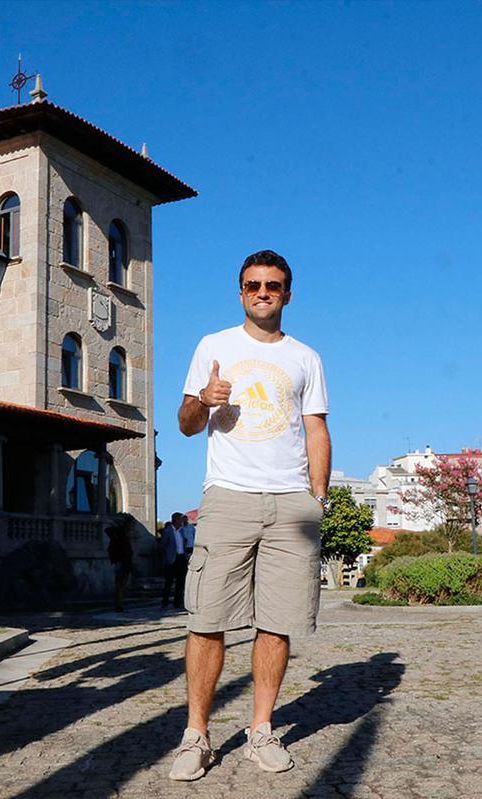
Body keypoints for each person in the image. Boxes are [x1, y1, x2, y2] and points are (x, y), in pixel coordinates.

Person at [168, 249, 330, 781]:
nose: (263, 292)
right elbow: (186, 424)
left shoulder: (306, 357)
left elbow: (315, 429)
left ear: (288, 293)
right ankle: (197, 734)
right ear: (240, 292)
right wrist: (206, 400)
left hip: (291, 504)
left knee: (277, 621)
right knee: (207, 619)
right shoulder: (214, 346)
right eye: (253, 285)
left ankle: (261, 729)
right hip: (229, 496)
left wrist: (318, 497)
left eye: (273, 285)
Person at [106, 518, 134, 612]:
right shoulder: (119, 538)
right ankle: (118, 604)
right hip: (121, 561)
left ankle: (119, 603)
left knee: (121, 584)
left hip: (124, 561)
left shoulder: (123, 538)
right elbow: (108, 530)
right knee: (119, 584)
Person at [160, 514, 187, 609]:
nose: (182, 521)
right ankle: (165, 601)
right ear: (175, 520)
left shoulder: (182, 531)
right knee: (169, 581)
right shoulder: (168, 531)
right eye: (180, 519)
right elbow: (163, 546)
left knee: (181, 581)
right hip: (171, 559)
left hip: (181, 558)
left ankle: (177, 601)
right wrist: (166, 558)